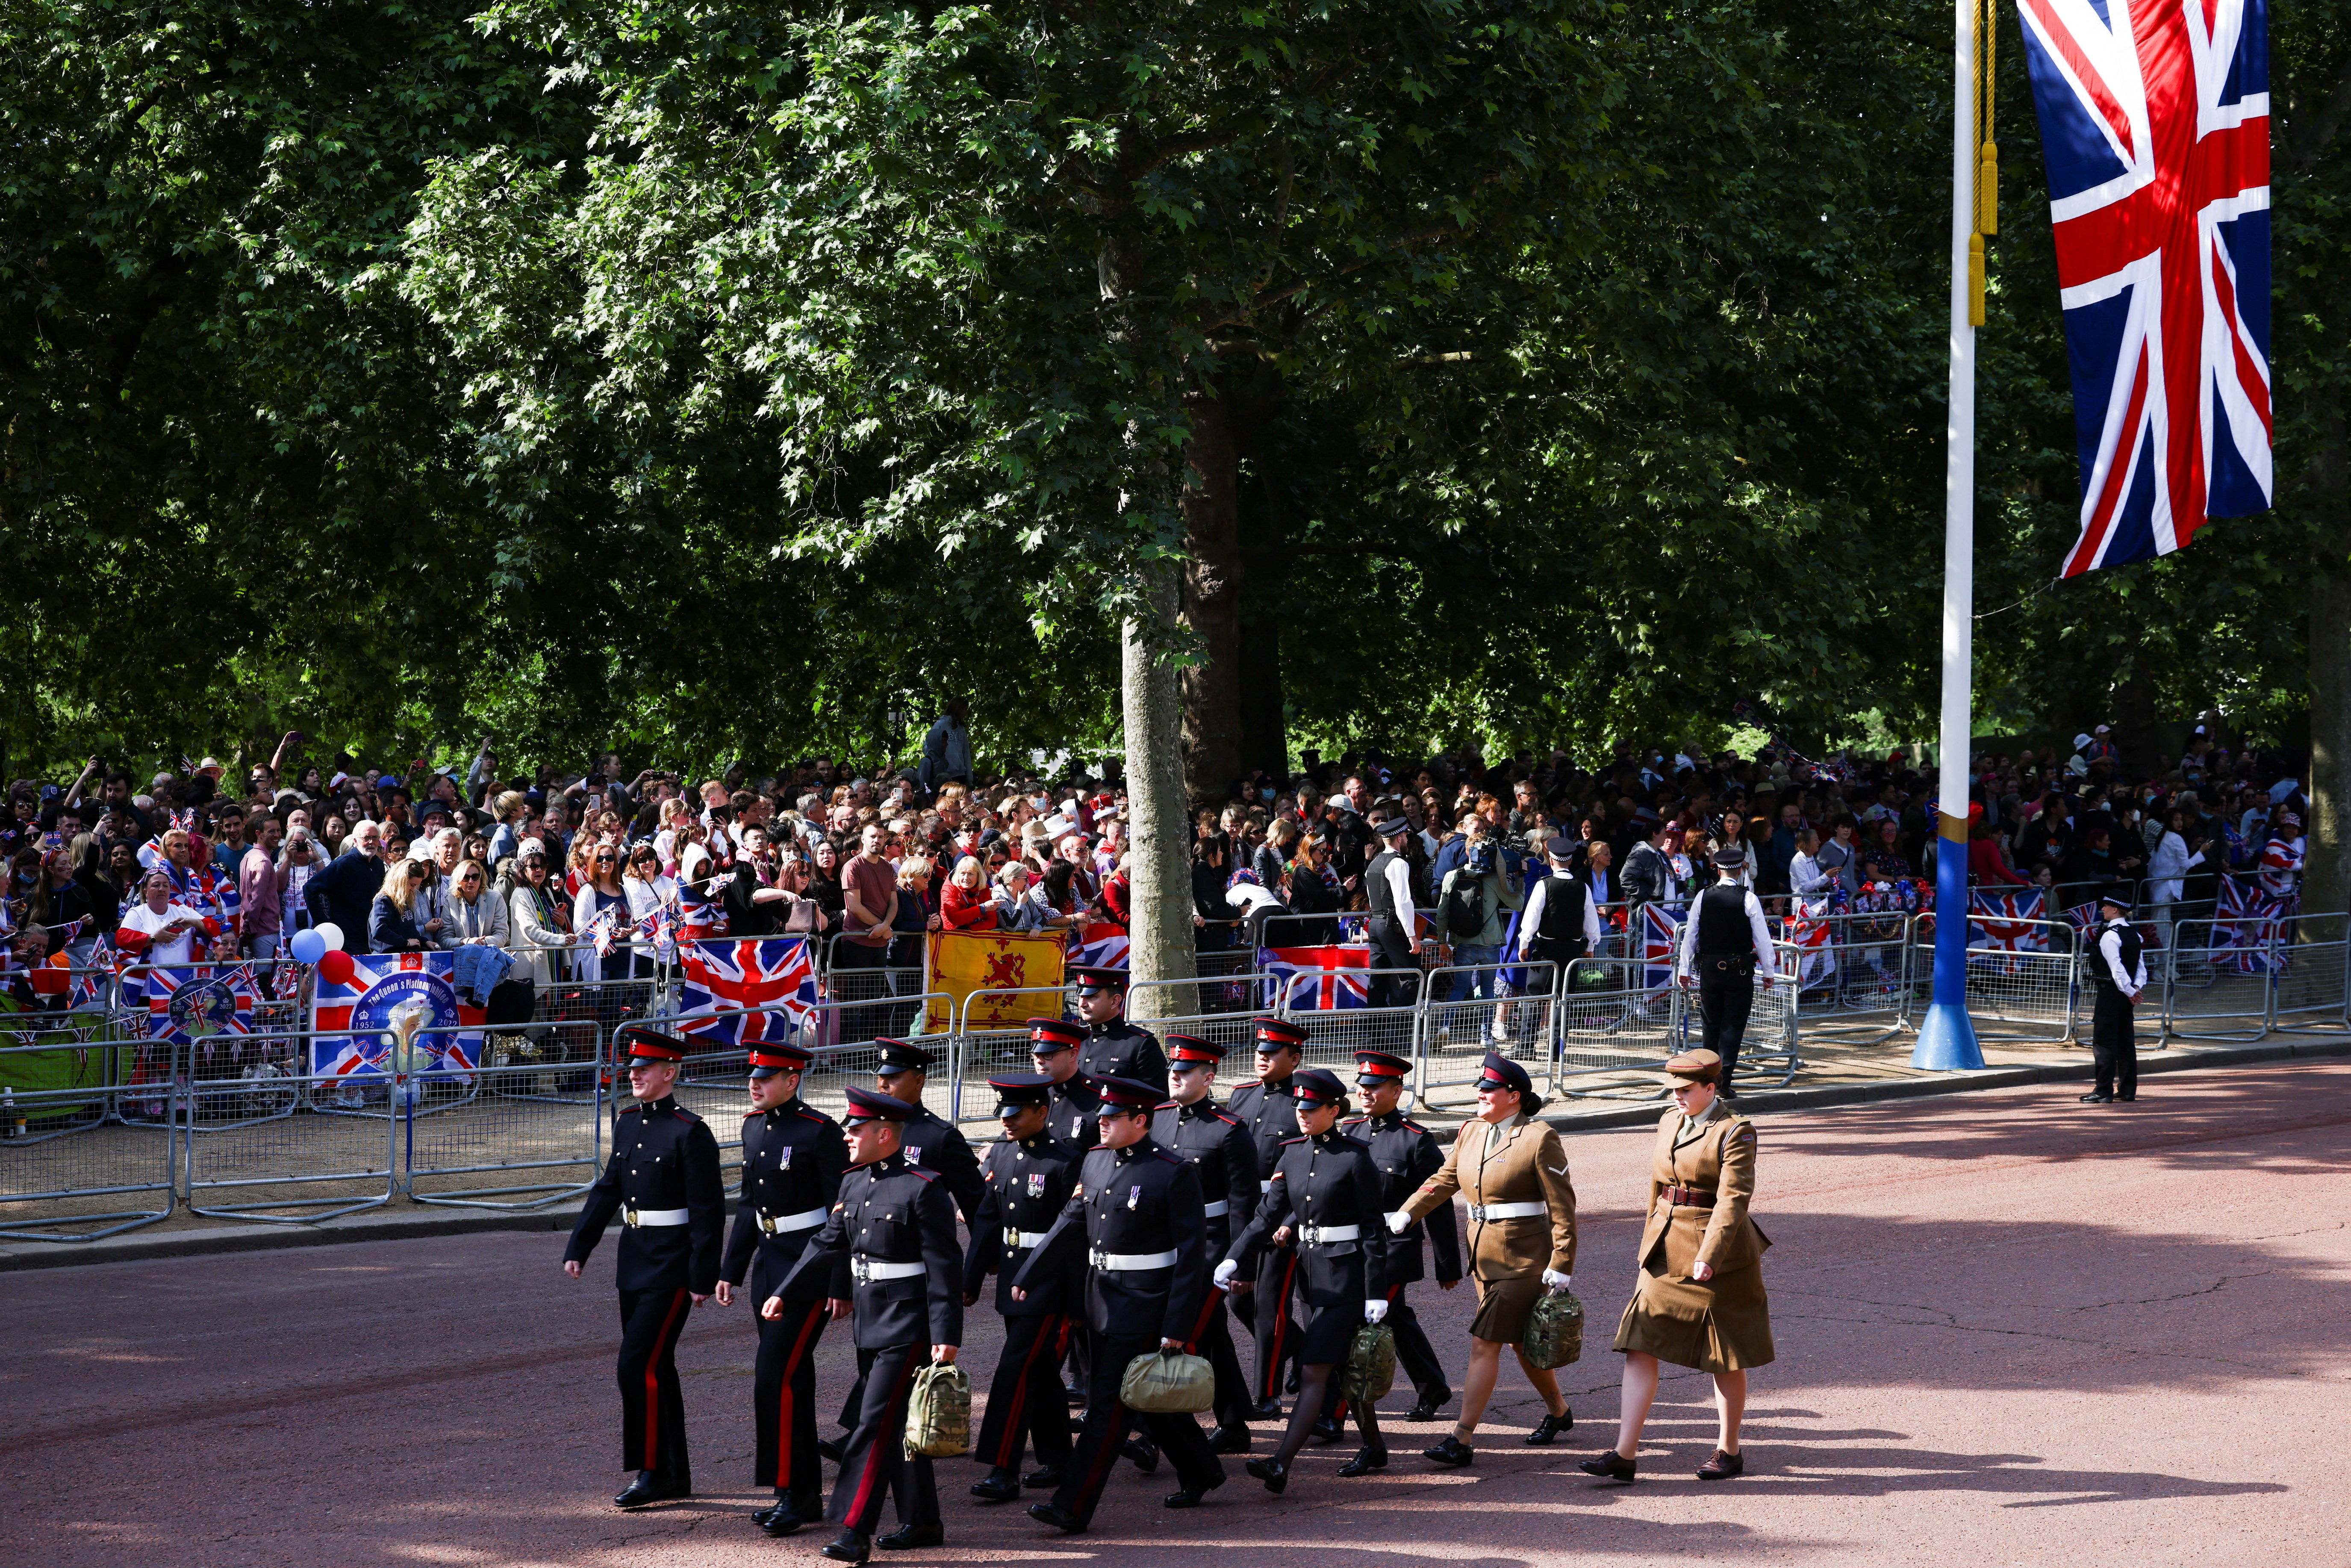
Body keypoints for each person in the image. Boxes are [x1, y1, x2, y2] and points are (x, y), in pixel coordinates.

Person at [1016, 1075, 1228, 1532]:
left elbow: (1192, 1256)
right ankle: (1203, 1469)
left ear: (1140, 1119)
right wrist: (1031, 1271)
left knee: (1107, 1408)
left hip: (1144, 1301)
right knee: (1146, 1399)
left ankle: (1071, 1504)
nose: (1102, 1122)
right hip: (1098, 1297)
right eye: (1102, 1114)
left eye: (1113, 1116)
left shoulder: (1174, 1171)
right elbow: (1071, 1220)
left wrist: (1178, 1323)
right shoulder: (1094, 1161)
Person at [769, 1085, 963, 1563]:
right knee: (895, 1425)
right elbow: (826, 1243)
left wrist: (946, 1335)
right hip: (869, 1320)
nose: (847, 1136)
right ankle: (922, 1520)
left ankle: (855, 1527)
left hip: (909, 1323)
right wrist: (785, 1290)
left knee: (871, 1422)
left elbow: (944, 1266)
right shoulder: (853, 1182)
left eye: (855, 1129)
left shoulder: (924, 1186)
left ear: (884, 1133)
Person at [1582, 1047, 1773, 1485]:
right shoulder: (1670, 1120)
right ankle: (1624, 1452)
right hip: (1666, 1244)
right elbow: (1659, 1183)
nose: (1676, 1097)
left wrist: (1710, 1253)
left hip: (1716, 1253)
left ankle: (1729, 1449)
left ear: (1712, 1087)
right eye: (1672, 1089)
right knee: (1638, 1342)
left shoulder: (1735, 1131)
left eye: (1686, 1089)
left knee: (1724, 1354)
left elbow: (1733, 1199)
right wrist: (1649, 1236)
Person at [560, 1029, 727, 1509]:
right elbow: (609, 1188)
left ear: (669, 1072)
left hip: (673, 1263)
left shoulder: (690, 1130)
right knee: (658, 1367)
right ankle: (675, 1472)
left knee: (637, 1363)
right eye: (632, 1067)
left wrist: (701, 1275)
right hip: (634, 1257)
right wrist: (581, 1243)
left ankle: (652, 1470)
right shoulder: (629, 1121)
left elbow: (708, 1210)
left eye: (644, 1067)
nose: (633, 1073)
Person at [1211, 1065, 1395, 1490]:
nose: (1303, 1114)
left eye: (1313, 1108)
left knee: (1313, 1368)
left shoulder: (1355, 1156)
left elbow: (1371, 1228)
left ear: (1334, 1108)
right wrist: (1234, 1258)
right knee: (1345, 1365)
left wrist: (1374, 1290)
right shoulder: (1292, 1151)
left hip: (1347, 1279)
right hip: (1313, 1275)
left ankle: (1280, 1462)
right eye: (1300, 1106)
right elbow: (1266, 1216)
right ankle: (1374, 1445)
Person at [1391, 1052, 1577, 1467]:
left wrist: (1562, 1261)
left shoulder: (1538, 1136)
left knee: (1484, 1342)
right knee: (1518, 1340)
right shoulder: (1473, 1131)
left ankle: (1461, 1438)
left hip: (1524, 1258)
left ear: (1514, 1096)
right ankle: (1559, 1411)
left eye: (1489, 1088)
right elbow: (1445, 1179)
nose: (1480, 1093)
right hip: (1484, 1254)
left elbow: (1562, 1207)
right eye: (1481, 1087)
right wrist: (1408, 1211)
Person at [715, 1042, 848, 1538]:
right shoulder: (754, 1125)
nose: (755, 1083)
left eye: (767, 1076)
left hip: (809, 1269)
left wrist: (839, 1280)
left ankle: (793, 1490)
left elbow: (842, 1212)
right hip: (769, 1270)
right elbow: (750, 1205)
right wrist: (730, 1268)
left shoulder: (819, 1131)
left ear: (793, 1080)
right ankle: (802, 1493)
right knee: (794, 1378)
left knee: (775, 1375)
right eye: (753, 1074)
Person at [963, 1073, 1087, 1503]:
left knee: (1013, 1371)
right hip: (1013, 1280)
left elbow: (1071, 1235)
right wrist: (971, 1278)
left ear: (1041, 1111)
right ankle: (1059, 1458)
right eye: (1004, 1114)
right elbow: (986, 1221)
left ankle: (1003, 1467)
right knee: (1039, 1372)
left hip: (1049, 1285)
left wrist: (1074, 1300)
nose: (1007, 1122)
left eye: (1016, 1114)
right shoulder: (1000, 1153)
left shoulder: (1066, 1160)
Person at [1152, 1035, 1262, 1451]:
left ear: (1209, 1076)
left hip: (1213, 1245)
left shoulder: (1229, 1130)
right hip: (1167, 1242)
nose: (1175, 1077)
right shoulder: (1158, 1117)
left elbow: (1243, 1205)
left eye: (1184, 1072)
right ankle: (1234, 1423)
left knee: (1186, 1332)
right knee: (1213, 1333)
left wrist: (1242, 1265)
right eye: (1172, 1071)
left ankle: (1156, 1430)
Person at [1340, 1050, 1461, 1424]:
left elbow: (1437, 1204)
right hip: (1354, 1243)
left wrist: (1447, 1265)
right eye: (1362, 1085)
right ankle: (1433, 1386)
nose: (1365, 1092)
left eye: (1374, 1086)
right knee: (1396, 1319)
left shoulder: (1416, 1140)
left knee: (1381, 1316)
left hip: (1395, 1246)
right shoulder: (1349, 1132)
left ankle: (1339, 1408)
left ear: (1397, 1091)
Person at [1223, 1016, 1306, 1419]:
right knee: (1238, 1302)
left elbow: (1311, 1171)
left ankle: (1266, 1394)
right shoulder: (1241, 1095)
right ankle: (1305, 1352)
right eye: (1259, 1051)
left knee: (1270, 1306)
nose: (1262, 1058)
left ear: (1294, 1058)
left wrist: (1291, 1220)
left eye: (1272, 1053)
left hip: (1282, 1217)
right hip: (1242, 1214)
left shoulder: (1306, 1102)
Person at [1675, 847, 1779, 1099]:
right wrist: (1769, 970)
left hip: (1710, 968)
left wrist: (1684, 968)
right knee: (1733, 1025)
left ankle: (1708, 1079)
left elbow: (1690, 935)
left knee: (1711, 1024)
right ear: (1741, 868)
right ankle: (1724, 1082)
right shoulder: (1749, 898)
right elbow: (1763, 940)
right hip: (1739, 970)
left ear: (1718, 868)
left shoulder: (1703, 896)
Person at [2081, 887, 2148, 1105]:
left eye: (2106, 906)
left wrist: (2130, 991)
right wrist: (2135, 990)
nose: (2102, 909)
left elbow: (2116, 969)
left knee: (2105, 1044)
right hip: (2126, 995)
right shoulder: (2134, 934)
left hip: (2111, 992)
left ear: (2115, 909)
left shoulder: (2110, 935)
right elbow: (2141, 969)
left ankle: (2103, 1091)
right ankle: (2128, 1090)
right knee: (2126, 1042)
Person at [1069, 964, 1168, 1092]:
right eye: (1081, 997)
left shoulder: (1140, 1045)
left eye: (1091, 997)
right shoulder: (1076, 1040)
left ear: (1115, 1001)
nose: (1082, 1004)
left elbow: (1156, 1100)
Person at [1363, 817, 1422, 1008]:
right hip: (1392, 925)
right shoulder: (1398, 863)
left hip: (1376, 924)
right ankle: (1404, 1032)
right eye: (1405, 835)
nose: (1406, 839)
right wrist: (1412, 935)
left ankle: (1375, 1034)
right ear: (1399, 839)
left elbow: (1372, 897)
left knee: (1378, 979)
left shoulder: (1374, 863)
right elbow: (1403, 902)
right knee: (1413, 976)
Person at [1027, 1016, 1102, 1151]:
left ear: (1073, 1055)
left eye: (1048, 1053)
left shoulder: (1098, 1100)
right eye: (1036, 1054)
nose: (1039, 1060)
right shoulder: (1030, 1096)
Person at [368, 858, 432, 953]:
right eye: (412, 885)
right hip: (388, 960)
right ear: (401, 880)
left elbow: (409, 933)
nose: (413, 890)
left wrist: (425, 942)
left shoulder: (407, 899)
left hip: (406, 956)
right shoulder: (384, 901)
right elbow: (379, 931)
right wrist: (405, 943)